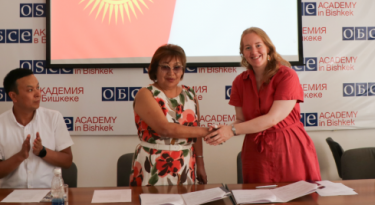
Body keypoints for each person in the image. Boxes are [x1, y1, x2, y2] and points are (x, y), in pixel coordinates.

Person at [205, 27, 321, 183]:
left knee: (298, 197)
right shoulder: (239, 81)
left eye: (258, 45)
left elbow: (273, 118)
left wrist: (231, 131)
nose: (254, 51)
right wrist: (221, 132)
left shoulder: (287, 75)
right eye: (247, 48)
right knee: (257, 197)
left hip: (289, 148)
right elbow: (241, 120)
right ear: (243, 53)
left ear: (268, 48)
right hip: (255, 152)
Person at [130, 44, 210, 186]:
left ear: (182, 70)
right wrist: (208, 131)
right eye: (165, 67)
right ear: (155, 69)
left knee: (186, 201)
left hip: (186, 164)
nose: (171, 73)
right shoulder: (146, 94)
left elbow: (195, 131)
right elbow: (165, 129)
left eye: (177, 67)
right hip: (153, 164)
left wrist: (200, 163)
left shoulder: (190, 94)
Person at [0, 68, 74, 188]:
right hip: (11, 195)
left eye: (38, 88)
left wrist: (43, 152)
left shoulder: (54, 118)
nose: (38, 94)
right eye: (30, 90)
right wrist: (20, 156)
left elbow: (67, 161)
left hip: (48, 194)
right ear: (14, 96)